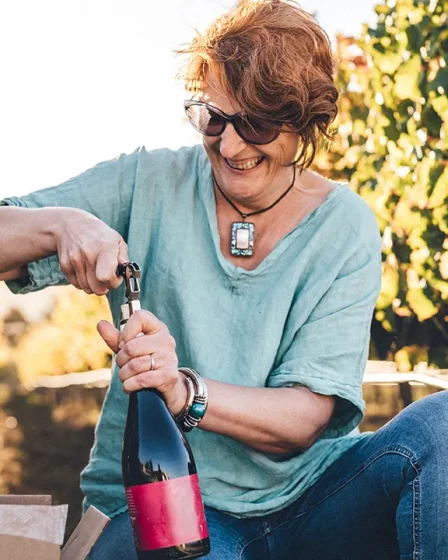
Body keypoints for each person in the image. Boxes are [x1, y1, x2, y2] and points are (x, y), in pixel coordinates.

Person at [0, 1, 446, 558]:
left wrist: (183, 390)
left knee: (442, 425)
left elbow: (304, 417)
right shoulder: (147, 181)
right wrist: (58, 224)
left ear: (305, 121)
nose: (230, 146)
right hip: (165, 498)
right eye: (214, 118)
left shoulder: (344, 226)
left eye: (256, 124)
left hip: (317, 499)